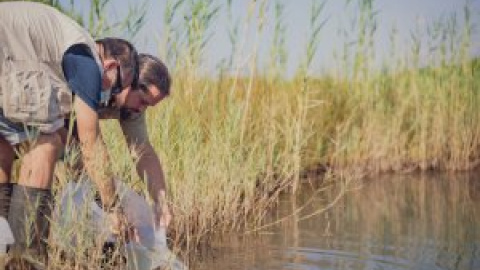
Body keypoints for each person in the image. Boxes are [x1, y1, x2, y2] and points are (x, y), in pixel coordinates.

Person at [0, 1, 147, 267]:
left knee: (3, 146)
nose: (110, 96)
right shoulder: (87, 59)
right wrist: (112, 208)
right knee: (45, 144)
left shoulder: (63, 48)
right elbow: (90, 142)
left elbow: (78, 151)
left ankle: (1, 246)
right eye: (116, 87)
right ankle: (24, 260)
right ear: (111, 66)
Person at [64, 53, 173, 231]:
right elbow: (90, 143)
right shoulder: (95, 79)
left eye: (148, 106)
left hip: (71, 124)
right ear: (128, 82)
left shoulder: (133, 106)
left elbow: (142, 151)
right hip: (47, 114)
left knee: (89, 182)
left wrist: (161, 202)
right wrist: (111, 207)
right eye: (142, 101)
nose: (140, 109)